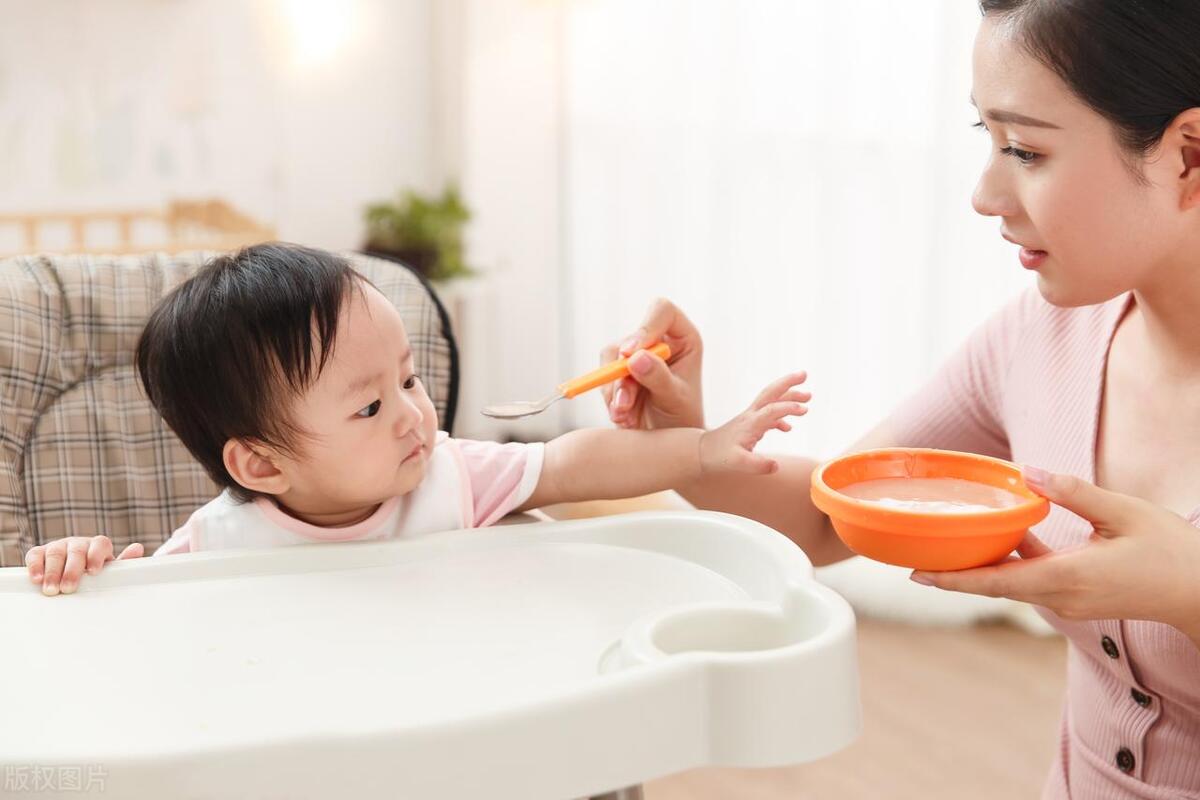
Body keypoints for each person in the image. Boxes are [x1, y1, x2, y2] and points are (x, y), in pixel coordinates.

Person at [600, 2, 1200, 797]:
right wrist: (689, 441)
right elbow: (829, 514)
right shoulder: (1043, 338)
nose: (987, 194)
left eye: (1024, 149)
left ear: (1188, 154)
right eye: (986, 139)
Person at [25, 243, 808, 593]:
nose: (412, 416)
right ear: (261, 465)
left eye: (409, 380)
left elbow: (576, 463)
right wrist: (80, 570)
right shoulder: (213, 549)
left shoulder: (451, 477)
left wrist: (701, 449)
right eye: (369, 405)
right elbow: (129, 628)